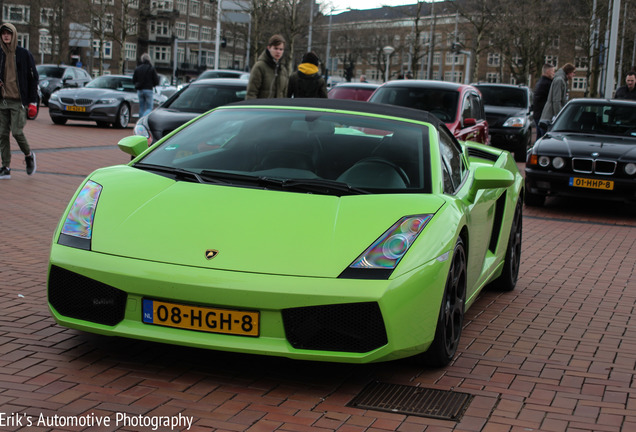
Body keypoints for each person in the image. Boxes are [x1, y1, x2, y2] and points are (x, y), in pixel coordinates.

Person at [0, 23, 39, 180]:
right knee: (2, 134)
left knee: (16, 132)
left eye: (8, 33)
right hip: (2, 101)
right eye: (3, 34)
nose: (6, 36)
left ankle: (29, 155)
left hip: (19, 102)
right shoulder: (0, 53)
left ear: (14, 34)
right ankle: (6, 167)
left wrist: (33, 102)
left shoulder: (23, 54)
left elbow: (33, 77)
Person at [246, 34, 289, 99]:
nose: (278, 52)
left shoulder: (283, 70)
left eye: (281, 49)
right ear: (269, 48)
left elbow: (285, 94)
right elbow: (251, 93)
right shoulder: (260, 67)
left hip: (278, 108)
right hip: (263, 108)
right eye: (275, 48)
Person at [540, 63, 576, 128]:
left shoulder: (562, 80)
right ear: (569, 72)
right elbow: (556, 101)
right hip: (550, 118)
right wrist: (559, 118)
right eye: (573, 72)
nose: (574, 74)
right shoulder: (559, 80)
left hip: (551, 117)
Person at [532, 64, 555, 140]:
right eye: (553, 71)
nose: (553, 74)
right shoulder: (548, 84)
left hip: (537, 114)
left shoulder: (540, 82)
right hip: (543, 115)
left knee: (539, 137)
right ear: (548, 71)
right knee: (544, 138)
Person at [132, 53, 159, 118]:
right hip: (148, 89)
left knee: (141, 107)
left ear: (142, 60)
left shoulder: (138, 68)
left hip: (140, 90)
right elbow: (156, 80)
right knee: (149, 108)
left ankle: (140, 120)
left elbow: (133, 80)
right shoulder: (151, 68)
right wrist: (153, 84)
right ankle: (144, 118)